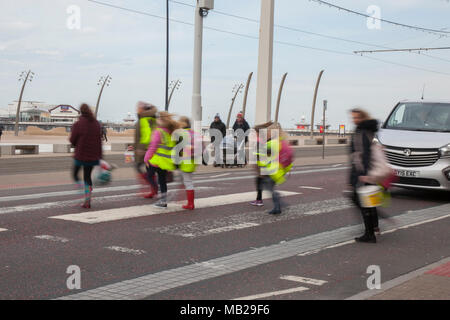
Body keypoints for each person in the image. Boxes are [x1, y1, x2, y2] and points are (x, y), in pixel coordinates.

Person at [349, 108, 380, 243]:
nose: (354, 120)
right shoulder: (370, 132)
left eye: (357, 118)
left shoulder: (361, 133)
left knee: (361, 201)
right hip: (371, 172)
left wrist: (361, 175)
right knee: (369, 201)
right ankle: (374, 226)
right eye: (353, 118)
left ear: (363, 118)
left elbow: (360, 156)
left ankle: (370, 234)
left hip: (364, 173)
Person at [253, 122, 292, 214]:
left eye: (269, 132)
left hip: (271, 171)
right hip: (280, 171)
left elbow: (260, 155)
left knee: (270, 188)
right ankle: (278, 205)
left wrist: (259, 168)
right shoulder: (282, 142)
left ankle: (279, 205)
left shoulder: (272, 143)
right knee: (270, 188)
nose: (267, 133)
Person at [69, 104, 103, 209]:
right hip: (93, 156)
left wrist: (76, 144)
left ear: (81, 112)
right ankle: (87, 196)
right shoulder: (97, 124)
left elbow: (72, 140)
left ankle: (85, 191)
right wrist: (100, 156)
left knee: (75, 174)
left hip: (81, 155)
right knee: (87, 177)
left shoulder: (78, 124)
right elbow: (99, 140)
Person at [144, 111, 179, 208]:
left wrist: (146, 158)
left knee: (149, 176)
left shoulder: (158, 132)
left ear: (160, 120)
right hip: (166, 162)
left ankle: (160, 195)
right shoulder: (169, 132)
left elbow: (153, 146)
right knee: (162, 180)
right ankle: (163, 200)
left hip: (156, 160)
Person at [134, 102, 158, 197]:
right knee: (148, 169)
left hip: (145, 149)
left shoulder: (145, 119)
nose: (137, 109)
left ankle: (153, 186)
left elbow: (146, 136)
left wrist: (142, 149)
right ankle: (152, 189)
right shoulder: (150, 119)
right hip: (147, 148)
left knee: (141, 168)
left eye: (139, 107)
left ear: (143, 109)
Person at [175, 116, 198, 210]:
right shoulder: (194, 133)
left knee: (188, 182)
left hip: (185, 160)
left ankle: (190, 204)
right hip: (193, 160)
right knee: (186, 180)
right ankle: (187, 201)